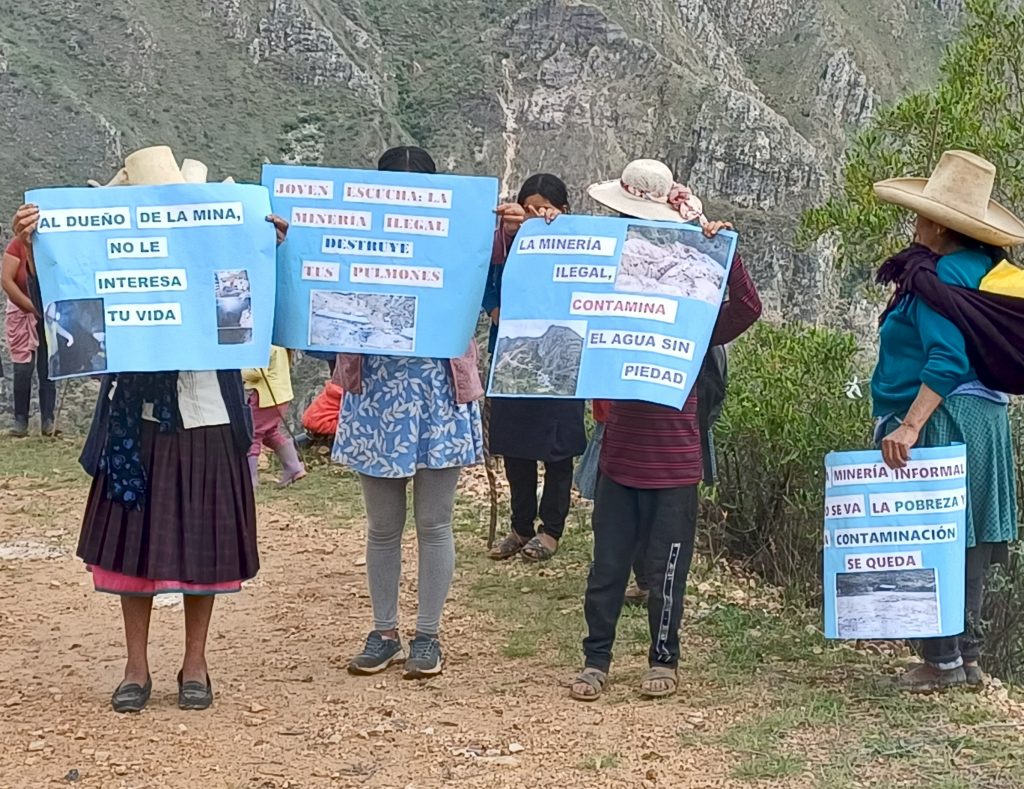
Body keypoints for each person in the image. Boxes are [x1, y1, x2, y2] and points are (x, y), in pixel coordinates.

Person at [11, 145, 289, 713]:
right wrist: (39, 247)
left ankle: (195, 662)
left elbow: (258, 311)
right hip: (135, 416)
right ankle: (136, 666)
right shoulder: (111, 256)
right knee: (134, 546)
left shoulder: (226, 254)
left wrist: (270, 249)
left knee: (203, 543)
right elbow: (66, 308)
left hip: (210, 411)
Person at [569, 159, 762, 701]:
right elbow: (560, 298)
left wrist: (725, 251)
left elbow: (748, 307)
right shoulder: (611, 292)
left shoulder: (697, 316)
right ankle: (596, 659)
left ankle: (663, 658)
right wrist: (543, 236)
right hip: (620, 453)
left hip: (675, 462)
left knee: (666, 567)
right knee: (607, 564)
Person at [871, 150, 1022, 693]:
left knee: (930, 534)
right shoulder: (988, 270)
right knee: (967, 541)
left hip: (943, 419)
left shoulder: (933, 277)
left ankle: (940, 662)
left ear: (936, 222)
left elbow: (947, 358)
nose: (916, 225)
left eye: (920, 216)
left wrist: (909, 426)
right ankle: (968, 658)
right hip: (985, 420)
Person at [334, 146, 484, 680]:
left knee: (435, 522)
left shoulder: (463, 241)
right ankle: (384, 631)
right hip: (376, 392)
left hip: (438, 395)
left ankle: (427, 634)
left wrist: (518, 231)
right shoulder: (360, 244)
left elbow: (495, 288)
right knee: (382, 526)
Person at [486, 174, 587, 562]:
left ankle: (551, 530)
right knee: (517, 449)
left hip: (562, 359)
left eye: (545, 209)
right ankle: (520, 526)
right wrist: (493, 307)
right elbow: (485, 278)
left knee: (558, 451)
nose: (536, 216)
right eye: (528, 209)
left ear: (564, 211)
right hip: (515, 358)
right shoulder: (506, 243)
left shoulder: (579, 248)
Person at [2, 235, 56, 436]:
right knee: (23, 367)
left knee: (48, 366)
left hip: (48, 310)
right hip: (21, 310)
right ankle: (20, 421)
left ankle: (48, 421)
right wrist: (30, 307)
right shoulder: (17, 245)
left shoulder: (50, 245)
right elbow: (7, 281)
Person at [242, 345, 306, 487]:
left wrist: (235, 369)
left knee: (253, 434)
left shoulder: (265, 345)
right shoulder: (280, 345)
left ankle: (249, 480)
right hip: (280, 397)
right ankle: (293, 467)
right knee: (270, 432)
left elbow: (257, 371)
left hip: (265, 398)